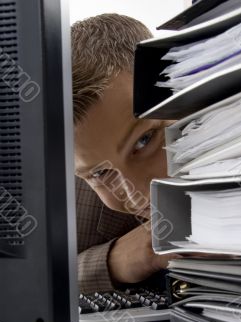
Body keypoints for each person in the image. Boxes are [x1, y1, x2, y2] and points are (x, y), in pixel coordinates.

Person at [72, 14, 178, 293]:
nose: (136, 194)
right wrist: (114, 261)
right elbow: (20, 287)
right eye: (100, 173)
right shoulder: (61, 201)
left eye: (144, 140)